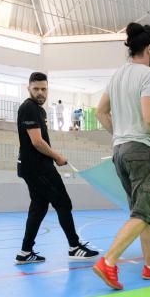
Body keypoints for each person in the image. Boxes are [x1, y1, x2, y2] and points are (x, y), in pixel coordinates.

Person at [93, 22, 150, 290]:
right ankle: (109, 261)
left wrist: (120, 134)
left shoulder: (117, 76)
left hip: (120, 151)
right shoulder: (148, 76)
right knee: (145, 210)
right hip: (141, 150)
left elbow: (100, 112)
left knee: (141, 210)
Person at [15, 71, 98, 264]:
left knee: (39, 207)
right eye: (36, 89)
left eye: (44, 89)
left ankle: (25, 252)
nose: (40, 93)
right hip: (38, 167)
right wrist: (57, 156)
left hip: (33, 167)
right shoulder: (29, 108)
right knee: (62, 202)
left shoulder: (39, 110)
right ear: (29, 89)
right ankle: (74, 247)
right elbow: (36, 142)